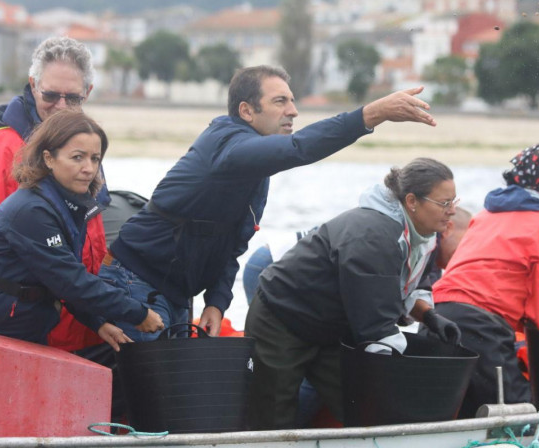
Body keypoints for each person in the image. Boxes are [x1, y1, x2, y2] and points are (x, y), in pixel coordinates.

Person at [101, 65, 437, 341]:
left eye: (291, 100)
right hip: (134, 284)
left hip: (176, 295)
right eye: (280, 101)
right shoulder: (226, 145)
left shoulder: (256, 170)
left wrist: (217, 302)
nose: (293, 110)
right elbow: (298, 149)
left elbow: (232, 245)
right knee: (145, 400)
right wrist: (372, 114)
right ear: (246, 111)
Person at [246, 158, 462, 430]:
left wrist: (430, 316)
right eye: (444, 203)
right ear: (412, 201)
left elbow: (411, 285)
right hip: (282, 318)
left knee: (361, 402)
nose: (452, 211)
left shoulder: (425, 235)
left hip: (330, 324)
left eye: (454, 201)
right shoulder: (374, 235)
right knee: (274, 413)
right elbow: (376, 327)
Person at [0, 110, 163, 352]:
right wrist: (137, 313)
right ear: (48, 158)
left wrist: (97, 323)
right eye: (78, 157)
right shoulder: (31, 210)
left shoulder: (66, 204)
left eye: (95, 159)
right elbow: (70, 281)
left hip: (19, 331)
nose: (89, 168)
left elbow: (58, 278)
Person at [0, 36, 108, 353]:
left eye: (71, 98)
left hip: (80, 317)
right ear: (32, 86)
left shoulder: (82, 148)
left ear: (87, 93)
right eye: (50, 95)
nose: (60, 105)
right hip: (30, 325)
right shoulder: (3, 147)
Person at [431, 142, 539, 417]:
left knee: (454, 412)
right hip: (480, 329)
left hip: (435, 318)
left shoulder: (485, 216)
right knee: (523, 413)